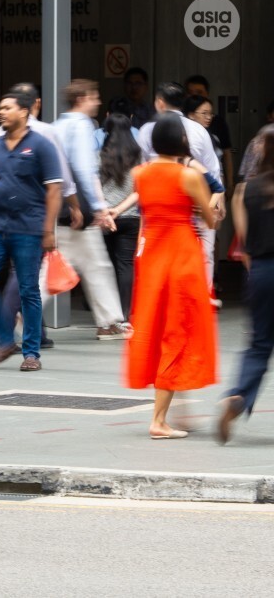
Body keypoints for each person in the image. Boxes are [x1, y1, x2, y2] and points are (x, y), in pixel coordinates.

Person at [125, 114, 218, 439]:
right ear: (181, 141)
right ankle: (159, 420)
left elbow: (148, 211)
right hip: (182, 257)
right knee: (178, 332)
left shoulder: (139, 174)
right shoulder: (189, 175)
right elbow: (210, 219)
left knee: (157, 327)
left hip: (153, 256)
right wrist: (211, 207)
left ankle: (171, 410)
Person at [0, 92, 63, 372]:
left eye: (7, 108)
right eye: (0, 108)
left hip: (29, 227)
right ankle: (4, 338)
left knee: (28, 290)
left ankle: (31, 352)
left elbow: (54, 189)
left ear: (24, 112)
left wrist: (48, 230)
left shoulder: (41, 145)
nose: (1, 112)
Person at [52, 79, 132, 340]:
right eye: (94, 96)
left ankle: (109, 322)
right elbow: (85, 169)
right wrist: (99, 208)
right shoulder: (82, 125)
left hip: (61, 205)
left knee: (94, 265)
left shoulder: (57, 126)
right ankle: (21, 307)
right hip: (78, 207)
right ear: (82, 98)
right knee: (95, 266)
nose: (98, 101)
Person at [137, 82, 226, 297]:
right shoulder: (198, 130)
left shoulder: (147, 130)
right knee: (204, 256)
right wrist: (215, 206)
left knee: (162, 259)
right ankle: (201, 299)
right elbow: (214, 171)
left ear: (159, 103)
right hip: (199, 203)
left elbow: (142, 173)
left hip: (162, 207)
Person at [218, 124, 274, 444]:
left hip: (262, 271)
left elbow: (245, 239)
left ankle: (238, 395)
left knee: (259, 345)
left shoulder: (249, 190)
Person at [100, 113, 144, 319]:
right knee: (126, 265)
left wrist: (107, 210)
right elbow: (139, 190)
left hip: (105, 217)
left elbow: (95, 188)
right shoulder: (138, 156)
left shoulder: (100, 155)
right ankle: (126, 314)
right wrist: (121, 209)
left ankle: (110, 315)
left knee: (106, 267)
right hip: (131, 217)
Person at [184, 75, 234, 188]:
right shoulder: (180, 123)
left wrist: (230, 183)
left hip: (215, 179)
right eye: (190, 92)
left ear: (207, 94)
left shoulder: (218, 122)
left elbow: (227, 153)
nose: (195, 96)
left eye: (199, 92)